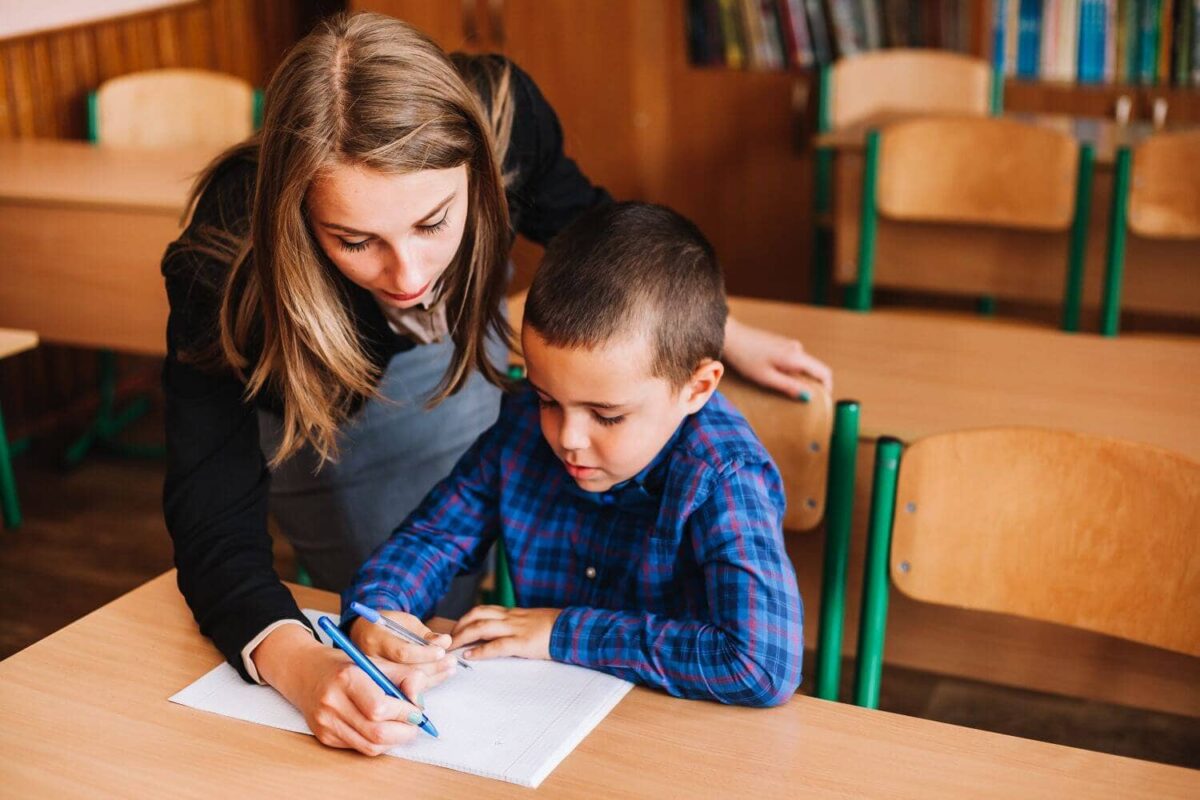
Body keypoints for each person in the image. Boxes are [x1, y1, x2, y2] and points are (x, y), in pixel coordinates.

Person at [161, 12, 825, 755]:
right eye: (356, 240)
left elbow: (607, 245)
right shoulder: (227, 266)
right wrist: (329, 646)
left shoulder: (508, 121)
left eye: (434, 222)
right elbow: (219, 517)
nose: (410, 279)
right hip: (328, 390)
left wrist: (720, 331)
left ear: (480, 171)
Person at [344, 201, 803, 709]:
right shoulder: (523, 430)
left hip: (675, 735)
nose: (568, 438)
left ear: (697, 388)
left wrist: (561, 632)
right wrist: (379, 612)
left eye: (607, 416)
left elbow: (760, 665)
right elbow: (434, 538)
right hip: (545, 718)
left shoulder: (724, 476)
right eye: (547, 399)